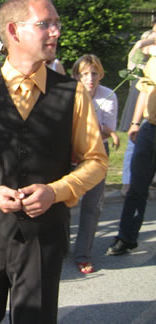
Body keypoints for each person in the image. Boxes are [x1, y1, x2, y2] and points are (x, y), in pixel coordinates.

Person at [0, 0, 108, 324]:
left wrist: (55, 191)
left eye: (57, 23)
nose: (56, 31)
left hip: (44, 235)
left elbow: (97, 161)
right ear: (14, 31)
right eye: (45, 24)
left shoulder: (72, 94)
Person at [106, 44, 156, 256]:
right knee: (136, 187)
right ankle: (126, 237)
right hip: (149, 128)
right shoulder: (153, 59)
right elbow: (145, 90)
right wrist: (135, 123)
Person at [71, 54, 118, 274]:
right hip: (71, 151)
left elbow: (107, 131)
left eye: (94, 73)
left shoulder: (109, 95)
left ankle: (83, 254)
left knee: (92, 205)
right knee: (63, 201)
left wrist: (98, 127)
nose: (90, 78)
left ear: (101, 75)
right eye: (85, 74)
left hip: (96, 151)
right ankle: (59, 245)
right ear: (76, 76)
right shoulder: (70, 93)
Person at [117, 22, 156, 197]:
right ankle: (128, 182)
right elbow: (140, 47)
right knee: (134, 144)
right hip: (140, 95)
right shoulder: (141, 56)